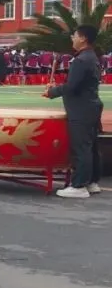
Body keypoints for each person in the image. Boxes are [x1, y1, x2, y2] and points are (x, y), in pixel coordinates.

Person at [46, 24, 104, 199]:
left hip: (81, 109)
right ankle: (92, 182)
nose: (72, 38)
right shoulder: (91, 57)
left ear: (83, 38)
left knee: (81, 148)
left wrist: (52, 91)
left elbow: (72, 87)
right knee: (91, 147)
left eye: (75, 35)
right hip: (91, 106)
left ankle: (79, 185)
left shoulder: (81, 60)